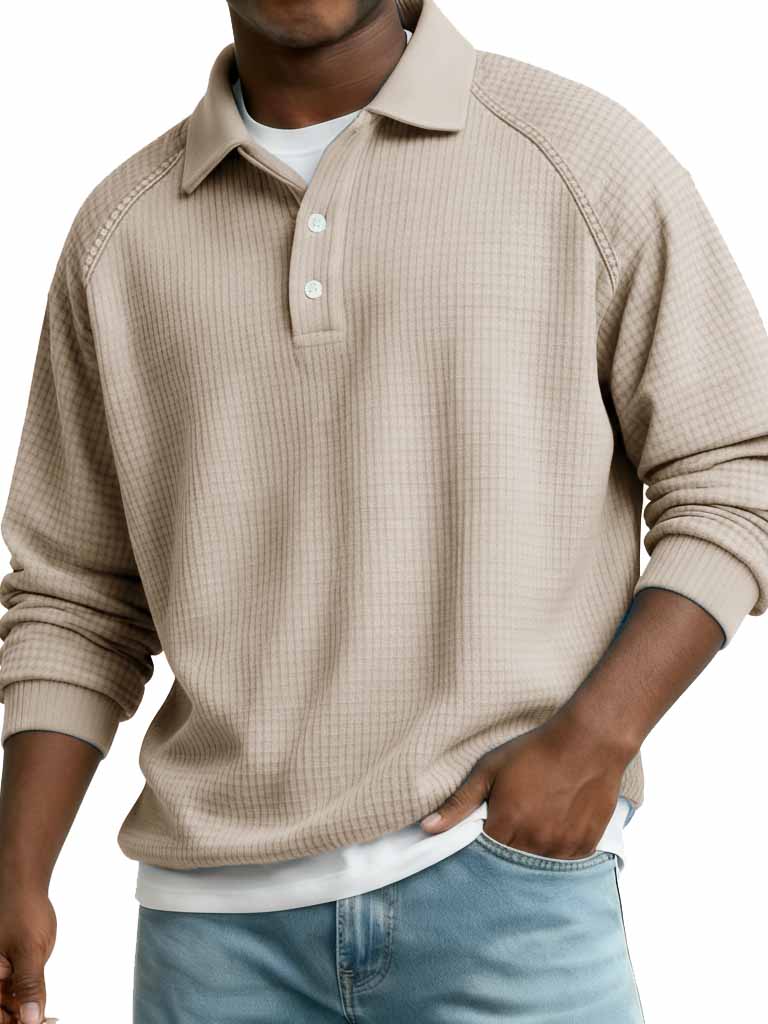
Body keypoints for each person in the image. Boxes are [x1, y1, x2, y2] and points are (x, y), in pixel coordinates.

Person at [1, 0, 766, 1020]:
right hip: (212, 940)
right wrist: (18, 872)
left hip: (506, 894)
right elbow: (75, 593)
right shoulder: (122, 231)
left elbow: (737, 468)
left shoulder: (579, 157)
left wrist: (595, 742)